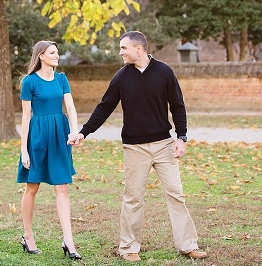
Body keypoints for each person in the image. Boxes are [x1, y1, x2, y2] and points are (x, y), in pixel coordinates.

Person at [70, 31, 207, 262]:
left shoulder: (164, 72)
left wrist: (181, 137)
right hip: (134, 147)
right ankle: (129, 248)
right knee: (133, 198)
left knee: (176, 194)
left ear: (139, 48)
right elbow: (105, 107)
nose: (121, 52)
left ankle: (188, 245)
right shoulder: (121, 77)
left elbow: (177, 105)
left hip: (164, 145)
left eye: (124, 48)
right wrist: (84, 132)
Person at [17, 40, 82, 260]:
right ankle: (28, 235)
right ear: (41, 56)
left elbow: (70, 107)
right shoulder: (29, 82)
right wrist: (24, 150)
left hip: (59, 135)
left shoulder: (61, 79)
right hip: (37, 136)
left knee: (62, 187)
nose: (57, 56)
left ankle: (69, 241)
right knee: (32, 187)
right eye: (52, 52)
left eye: (57, 52)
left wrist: (74, 131)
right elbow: (26, 117)